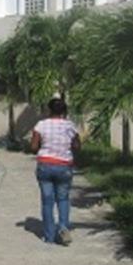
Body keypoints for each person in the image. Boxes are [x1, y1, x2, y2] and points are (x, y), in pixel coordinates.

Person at [30, 98, 81, 246]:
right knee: (63, 199)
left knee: (47, 201)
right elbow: (77, 146)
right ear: (64, 111)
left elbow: (33, 148)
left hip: (45, 165)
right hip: (64, 166)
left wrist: (41, 145)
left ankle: (49, 236)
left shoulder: (41, 125)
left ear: (49, 110)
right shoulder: (70, 126)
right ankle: (63, 229)